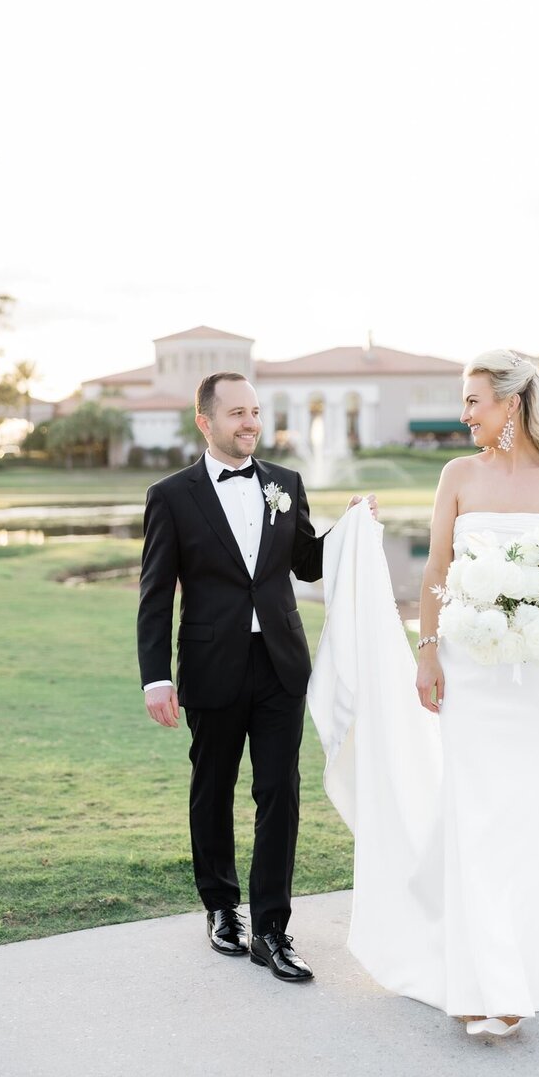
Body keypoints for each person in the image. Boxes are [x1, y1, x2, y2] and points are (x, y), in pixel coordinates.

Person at [137, 371, 375, 984]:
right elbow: (156, 593)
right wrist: (154, 677)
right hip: (212, 665)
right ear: (206, 421)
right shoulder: (171, 495)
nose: (249, 422)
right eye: (236, 413)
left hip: (279, 663)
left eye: (255, 412)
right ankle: (221, 908)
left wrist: (347, 529)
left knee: (280, 792)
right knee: (211, 789)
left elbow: (308, 563)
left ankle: (272, 928)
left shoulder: (285, 484)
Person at [414, 348, 539, 1037]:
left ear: (510, 405)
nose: (464, 416)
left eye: (473, 402)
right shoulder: (458, 475)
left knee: (526, 815)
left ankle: (527, 972)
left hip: (536, 679)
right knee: (473, 817)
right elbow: (435, 569)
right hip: (469, 673)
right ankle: (481, 981)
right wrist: (427, 654)